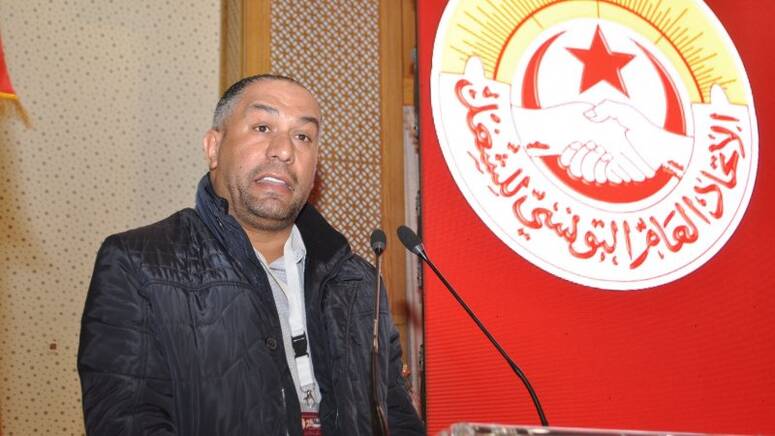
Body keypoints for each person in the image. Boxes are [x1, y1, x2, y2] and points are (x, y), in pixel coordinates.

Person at [77, 74, 425, 435]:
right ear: (213, 147)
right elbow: (128, 422)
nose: (284, 150)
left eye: (303, 136)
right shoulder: (138, 263)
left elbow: (396, 421)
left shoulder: (360, 283)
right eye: (262, 127)